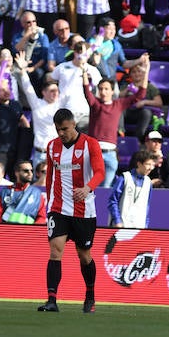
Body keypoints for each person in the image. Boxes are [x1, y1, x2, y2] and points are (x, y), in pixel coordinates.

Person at [38, 108, 106, 314]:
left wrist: (88, 188)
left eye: (65, 129)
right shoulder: (52, 147)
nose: (61, 133)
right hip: (59, 208)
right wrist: (49, 202)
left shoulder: (90, 144)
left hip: (84, 211)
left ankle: (90, 295)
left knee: (84, 255)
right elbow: (50, 176)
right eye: (58, 130)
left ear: (74, 124)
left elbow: (100, 171)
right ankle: (51, 300)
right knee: (55, 251)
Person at [85, 59, 149, 188]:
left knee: (106, 188)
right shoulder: (95, 105)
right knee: (90, 188)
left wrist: (146, 71)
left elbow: (140, 94)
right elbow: (86, 91)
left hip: (111, 153)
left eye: (106, 89)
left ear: (112, 91)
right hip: (94, 152)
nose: (103, 91)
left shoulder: (118, 104)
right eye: (101, 89)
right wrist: (83, 71)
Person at [107, 149, 156, 228]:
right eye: (148, 164)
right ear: (139, 164)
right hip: (120, 227)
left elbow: (147, 206)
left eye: (152, 164)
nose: (151, 168)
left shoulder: (148, 182)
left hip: (139, 228)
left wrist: (145, 225)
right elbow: (113, 201)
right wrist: (117, 221)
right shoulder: (124, 178)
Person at [0, 159, 47, 224]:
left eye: (31, 171)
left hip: (29, 232)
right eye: (26, 171)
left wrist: (33, 230)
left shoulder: (37, 194)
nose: (30, 173)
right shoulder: (5, 192)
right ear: (17, 173)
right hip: (7, 231)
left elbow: (42, 217)